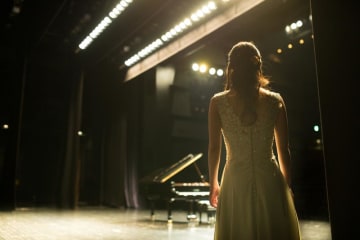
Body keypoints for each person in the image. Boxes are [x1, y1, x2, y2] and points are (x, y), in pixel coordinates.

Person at [207, 41, 301, 239]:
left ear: (231, 68)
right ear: (258, 67)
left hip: (235, 182)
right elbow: (284, 149)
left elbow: (214, 148)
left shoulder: (218, 103)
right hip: (270, 181)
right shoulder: (276, 101)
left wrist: (213, 183)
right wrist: (286, 185)